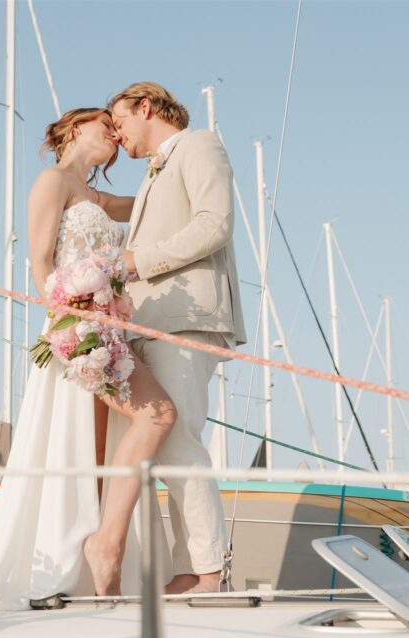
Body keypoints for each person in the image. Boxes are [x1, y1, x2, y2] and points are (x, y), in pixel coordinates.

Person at [0, 107, 177, 614]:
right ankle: (77, 561)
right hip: (76, 328)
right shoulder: (53, 180)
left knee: (99, 448)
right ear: (74, 130)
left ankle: (97, 570)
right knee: (134, 422)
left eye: (118, 132)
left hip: (109, 327)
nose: (114, 137)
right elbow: (42, 262)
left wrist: (167, 161)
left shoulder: (97, 198)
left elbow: (143, 205)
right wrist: (71, 322)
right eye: (104, 128)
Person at [107, 82, 247, 594]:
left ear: (146, 107)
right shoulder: (153, 172)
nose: (117, 136)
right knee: (169, 450)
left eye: (119, 123)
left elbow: (215, 223)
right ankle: (188, 570)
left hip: (184, 321)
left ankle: (207, 572)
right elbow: (148, 212)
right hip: (149, 324)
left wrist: (135, 262)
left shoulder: (200, 144)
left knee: (180, 443)